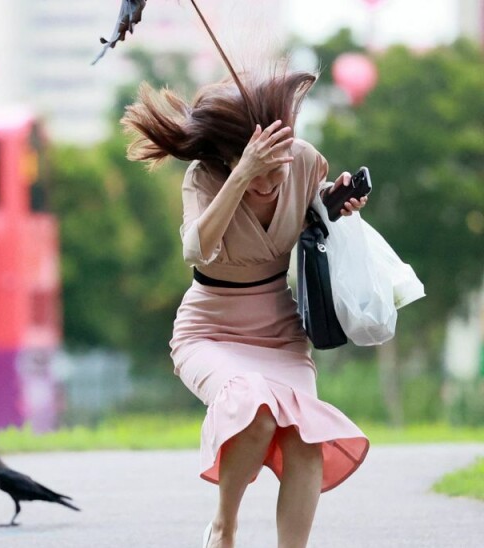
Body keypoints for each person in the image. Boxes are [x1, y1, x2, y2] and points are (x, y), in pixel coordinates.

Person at [121, 71, 371, 548]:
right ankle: (224, 527)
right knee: (253, 409)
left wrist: (335, 203)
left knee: (304, 437)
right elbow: (197, 249)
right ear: (232, 158)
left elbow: (310, 216)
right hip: (210, 328)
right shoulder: (205, 177)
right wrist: (240, 175)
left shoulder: (303, 161)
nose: (268, 186)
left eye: (276, 175)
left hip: (279, 328)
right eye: (257, 175)